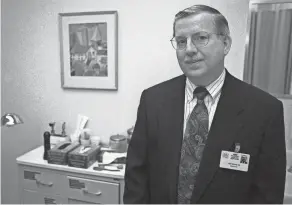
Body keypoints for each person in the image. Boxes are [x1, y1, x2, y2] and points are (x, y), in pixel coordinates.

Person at [123, 4, 286, 204]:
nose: (189, 49)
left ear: (225, 44)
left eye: (201, 38)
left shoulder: (264, 110)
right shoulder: (153, 100)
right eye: (181, 41)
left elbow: (268, 195)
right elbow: (136, 176)